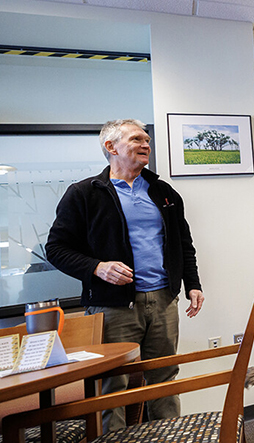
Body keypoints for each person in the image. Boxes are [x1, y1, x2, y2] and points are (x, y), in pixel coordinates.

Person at [46, 119, 204, 432]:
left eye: (147, 139)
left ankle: (169, 437)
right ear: (111, 147)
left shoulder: (164, 193)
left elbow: (183, 243)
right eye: (136, 139)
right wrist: (97, 267)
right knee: (112, 385)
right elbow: (56, 248)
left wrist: (193, 285)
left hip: (163, 301)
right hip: (112, 307)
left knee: (164, 376)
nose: (146, 144)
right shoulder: (83, 194)